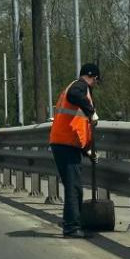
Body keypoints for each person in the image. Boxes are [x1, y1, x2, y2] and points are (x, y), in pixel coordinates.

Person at [49, 63, 100, 238]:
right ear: (93, 77)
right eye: (96, 81)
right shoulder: (80, 86)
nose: (96, 85)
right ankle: (71, 227)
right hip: (66, 143)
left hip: (64, 142)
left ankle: (73, 223)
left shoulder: (76, 87)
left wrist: (88, 150)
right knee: (74, 187)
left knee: (73, 186)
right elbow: (74, 96)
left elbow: (79, 126)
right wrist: (91, 111)